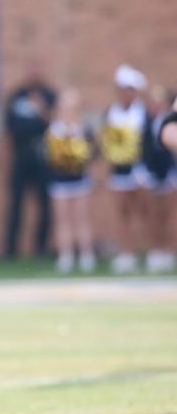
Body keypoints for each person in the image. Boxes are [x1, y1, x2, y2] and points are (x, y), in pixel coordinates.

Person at [3, 60, 55, 259]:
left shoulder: (49, 96)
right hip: (21, 158)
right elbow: (8, 131)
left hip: (43, 158)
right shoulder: (16, 96)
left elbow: (57, 124)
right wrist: (8, 161)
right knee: (16, 206)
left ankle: (40, 249)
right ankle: (10, 251)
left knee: (45, 206)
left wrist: (41, 109)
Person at [101, 64, 147, 273]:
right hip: (118, 171)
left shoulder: (142, 114)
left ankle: (146, 251)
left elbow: (146, 144)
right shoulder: (111, 112)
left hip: (140, 171)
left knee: (142, 211)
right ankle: (126, 253)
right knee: (121, 212)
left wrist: (141, 170)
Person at [45, 88, 96, 273]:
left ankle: (86, 256)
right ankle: (65, 256)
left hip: (80, 179)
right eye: (64, 107)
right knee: (62, 220)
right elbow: (49, 156)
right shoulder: (53, 130)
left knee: (81, 219)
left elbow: (93, 152)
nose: (67, 111)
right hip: (60, 181)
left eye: (71, 107)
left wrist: (81, 158)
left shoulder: (83, 128)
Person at [140, 85, 175, 274]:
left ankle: (168, 250)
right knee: (152, 214)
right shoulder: (145, 121)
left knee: (167, 214)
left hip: (168, 173)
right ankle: (155, 250)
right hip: (150, 173)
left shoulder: (169, 121)